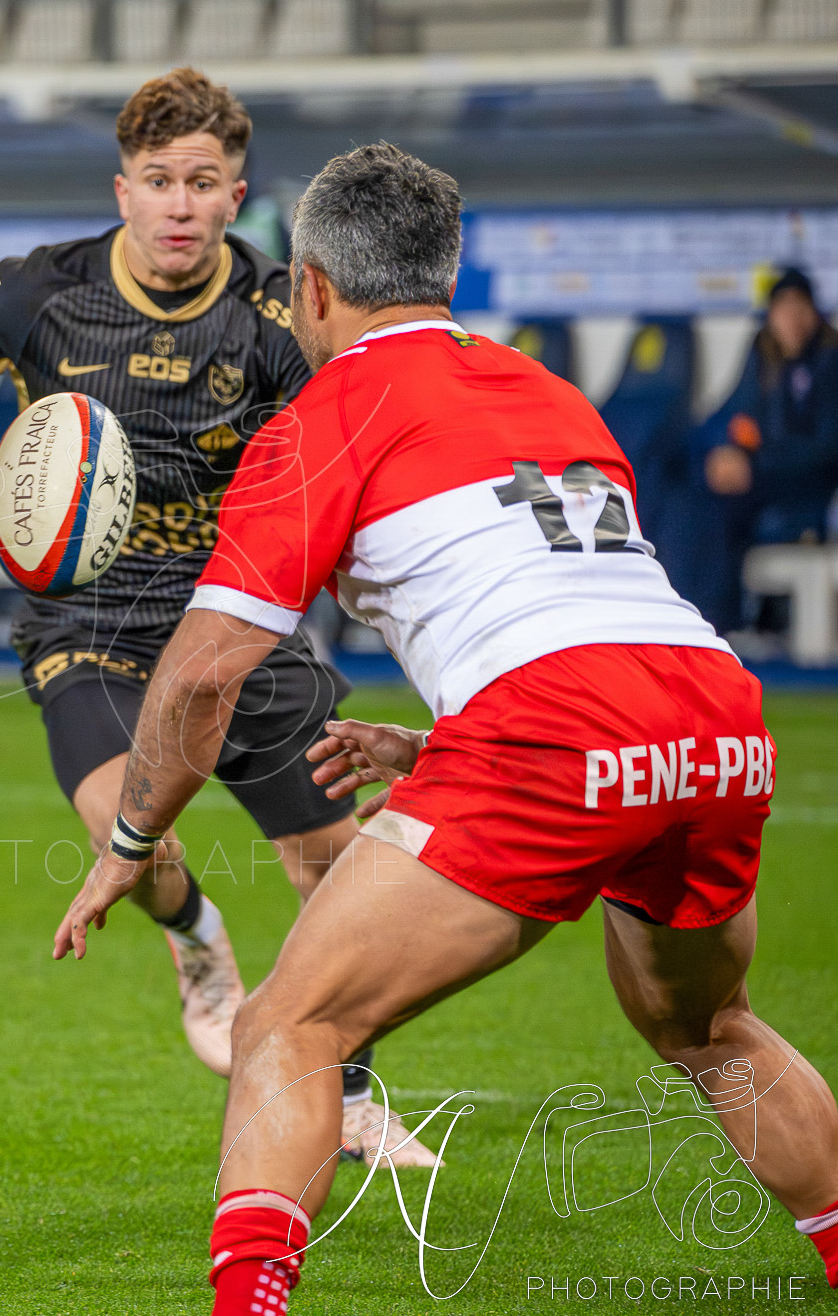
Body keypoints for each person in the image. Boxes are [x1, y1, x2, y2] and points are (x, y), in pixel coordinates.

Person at [51, 142, 838, 1314]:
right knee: (704, 1023)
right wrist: (446, 744)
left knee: (288, 1020)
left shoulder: (326, 414)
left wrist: (126, 846)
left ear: (309, 286)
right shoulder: (549, 391)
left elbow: (198, 679)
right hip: (711, 717)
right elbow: (582, 598)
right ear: (446, 276)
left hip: (555, 734)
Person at [0, 67, 425, 1165]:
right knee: (119, 831)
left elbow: (359, 442)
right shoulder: (41, 291)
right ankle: (196, 943)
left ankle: (356, 1089)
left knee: (337, 861)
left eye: (203, 182)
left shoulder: (280, 314)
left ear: (236, 198)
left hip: (235, 617)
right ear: (121, 190)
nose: (179, 204)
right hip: (89, 620)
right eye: (157, 180)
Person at [684, 267, 838, 636]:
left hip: (807, 489)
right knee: (691, 494)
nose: (793, 319)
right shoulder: (762, 358)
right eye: (783, 308)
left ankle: (722, 626)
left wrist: (755, 467)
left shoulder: (830, 363)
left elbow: (826, 448)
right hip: (757, 483)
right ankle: (701, 625)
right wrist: (721, 451)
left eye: (801, 307)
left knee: (722, 510)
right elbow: (725, 415)